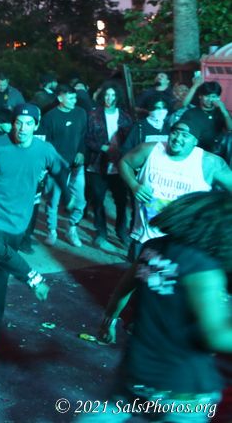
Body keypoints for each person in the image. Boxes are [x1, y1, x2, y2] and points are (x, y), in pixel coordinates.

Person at [83, 192, 232, 422]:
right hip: (182, 386)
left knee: (108, 413)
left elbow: (123, 287)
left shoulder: (152, 249)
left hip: (137, 370)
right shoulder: (203, 268)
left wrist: (110, 319)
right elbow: (217, 337)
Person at [0, 104, 70, 365]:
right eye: (18, 123)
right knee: (0, 277)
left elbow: (62, 169)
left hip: (18, 225)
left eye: (28, 123)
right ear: (12, 124)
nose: (22, 128)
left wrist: (61, 193)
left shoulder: (44, 151)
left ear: (36, 125)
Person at [118, 113, 232, 261]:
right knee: (137, 272)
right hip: (146, 236)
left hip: (184, 243)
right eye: (175, 133)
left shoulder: (209, 163)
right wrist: (134, 185)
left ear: (195, 141)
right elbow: (125, 163)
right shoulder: (150, 150)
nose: (178, 138)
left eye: (185, 135)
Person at [85, 83, 133, 249]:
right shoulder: (93, 115)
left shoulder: (125, 117)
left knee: (121, 201)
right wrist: (102, 147)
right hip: (98, 164)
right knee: (98, 200)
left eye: (112, 95)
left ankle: (121, 231)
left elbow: (130, 140)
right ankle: (101, 232)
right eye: (107, 95)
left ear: (117, 97)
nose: (109, 98)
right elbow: (86, 138)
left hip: (119, 165)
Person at [39, 85, 88, 247]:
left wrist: (81, 152)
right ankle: (51, 230)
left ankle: (72, 228)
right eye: (71, 98)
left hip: (76, 165)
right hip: (57, 168)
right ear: (60, 98)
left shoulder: (81, 113)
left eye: (75, 97)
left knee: (80, 200)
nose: (74, 101)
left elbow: (84, 136)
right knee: (53, 200)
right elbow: (46, 143)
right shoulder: (50, 117)